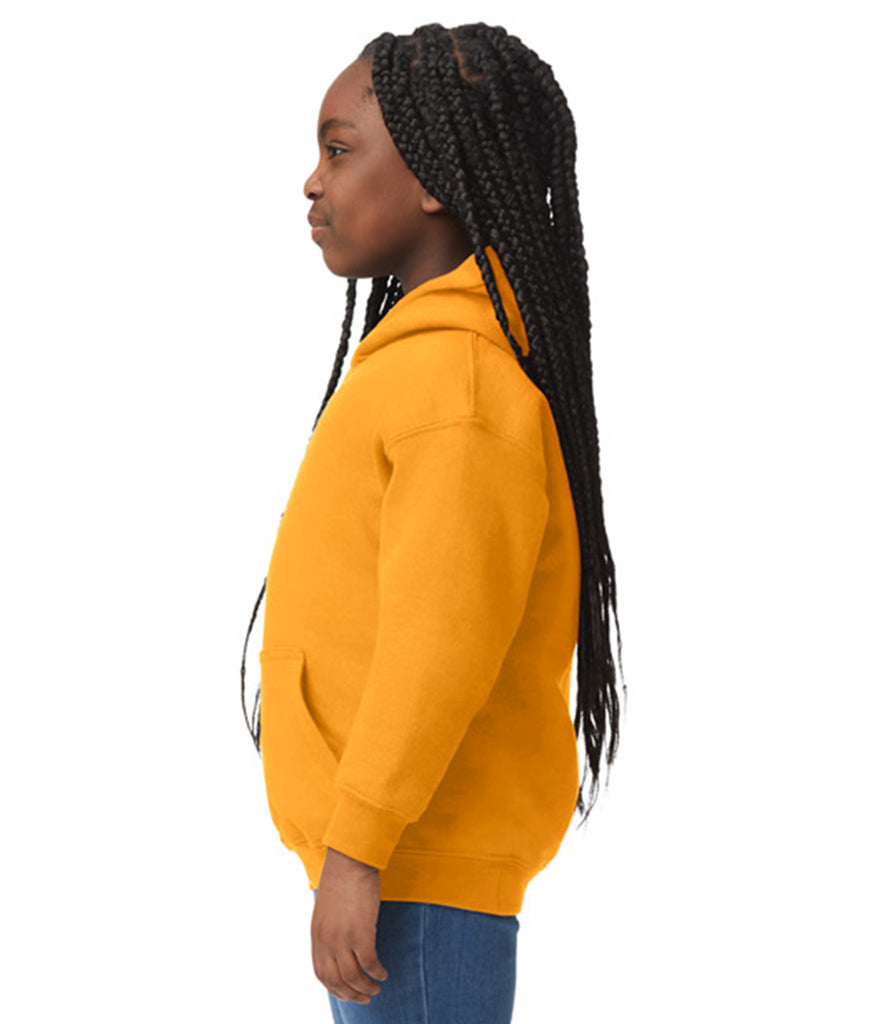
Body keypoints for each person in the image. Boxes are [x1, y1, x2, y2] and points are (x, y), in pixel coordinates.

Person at [240, 22, 625, 1023]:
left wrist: (358, 850)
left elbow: (438, 642)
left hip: (411, 872)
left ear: (432, 178)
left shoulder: (458, 385)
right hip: (395, 865)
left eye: (339, 150)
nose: (312, 183)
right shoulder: (420, 365)